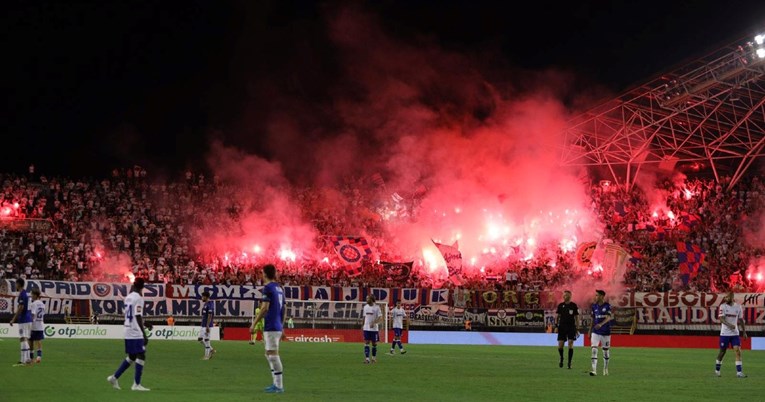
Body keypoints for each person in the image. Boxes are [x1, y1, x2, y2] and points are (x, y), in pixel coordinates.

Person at [107, 278, 150, 391]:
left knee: (132, 356)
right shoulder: (139, 298)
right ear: (142, 287)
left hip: (127, 329)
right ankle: (136, 384)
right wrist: (144, 334)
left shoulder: (128, 297)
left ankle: (114, 377)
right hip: (135, 331)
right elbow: (138, 315)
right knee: (141, 354)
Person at [250, 264, 285, 393]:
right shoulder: (279, 288)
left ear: (264, 274)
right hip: (276, 325)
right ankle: (275, 383)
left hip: (271, 325)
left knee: (273, 354)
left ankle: (279, 386)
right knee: (268, 354)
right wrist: (282, 325)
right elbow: (284, 309)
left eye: (261, 272)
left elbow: (264, 308)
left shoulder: (268, 288)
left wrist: (253, 323)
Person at [715, 291, 747, 378]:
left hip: (735, 334)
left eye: (727, 297)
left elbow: (740, 320)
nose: (726, 299)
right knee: (722, 352)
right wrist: (730, 325)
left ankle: (739, 372)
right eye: (725, 297)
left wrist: (744, 332)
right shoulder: (723, 306)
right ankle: (717, 370)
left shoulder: (738, 307)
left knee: (738, 351)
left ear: (732, 297)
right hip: (725, 333)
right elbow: (721, 319)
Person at [9, 278, 33, 366]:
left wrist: (13, 319)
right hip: (28, 319)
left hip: (24, 319)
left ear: (19, 284)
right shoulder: (26, 294)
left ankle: (24, 360)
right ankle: (27, 359)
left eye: (16, 284)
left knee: (23, 338)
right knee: (24, 338)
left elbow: (21, 308)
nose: (15, 285)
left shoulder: (22, 294)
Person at [589, 289, 612, 376]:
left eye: (597, 295)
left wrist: (601, 324)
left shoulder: (607, 306)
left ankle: (605, 368)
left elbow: (609, 317)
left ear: (602, 296)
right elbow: (592, 319)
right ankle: (594, 370)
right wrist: (589, 330)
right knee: (594, 349)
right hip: (595, 332)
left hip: (605, 332)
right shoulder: (594, 306)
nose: (595, 297)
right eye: (595, 295)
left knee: (605, 351)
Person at [555, 290, 580, 369]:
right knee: (560, 346)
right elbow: (557, 317)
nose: (566, 296)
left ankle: (569, 362)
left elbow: (577, 317)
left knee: (570, 343)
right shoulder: (560, 305)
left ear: (570, 296)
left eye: (567, 295)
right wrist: (556, 326)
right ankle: (561, 358)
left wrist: (577, 328)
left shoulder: (573, 306)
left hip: (571, 327)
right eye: (565, 295)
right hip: (562, 327)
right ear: (563, 296)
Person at [362, 294, 382, 364]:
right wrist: (362, 325)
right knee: (366, 342)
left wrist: (374, 322)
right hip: (366, 328)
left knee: (374, 344)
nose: (366, 300)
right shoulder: (365, 307)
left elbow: (380, 318)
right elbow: (364, 317)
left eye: (368, 298)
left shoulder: (377, 307)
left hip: (374, 329)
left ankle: (373, 358)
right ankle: (367, 359)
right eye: (366, 298)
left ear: (371, 299)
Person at [30, 289, 46, 363]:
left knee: (31, 340)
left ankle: (31, 357)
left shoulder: (34, 304)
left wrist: (30, 322)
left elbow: (33, 314)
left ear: (35, 295)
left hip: (34, 325)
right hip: (40, 324)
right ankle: (39, 357)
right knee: (39, 340)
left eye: (32, 294)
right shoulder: (42, 304)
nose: (31, 296)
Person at [199, 291, 216, 360]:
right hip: (203, 325)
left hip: (206, 325)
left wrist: (208, 325)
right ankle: (211, 350)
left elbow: (210, 315)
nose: (202, 298)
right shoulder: (205, 304)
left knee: (206, 340)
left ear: (206, 297)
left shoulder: (210, 304)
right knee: (200, 339)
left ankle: (206, 356)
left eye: (202, 297)